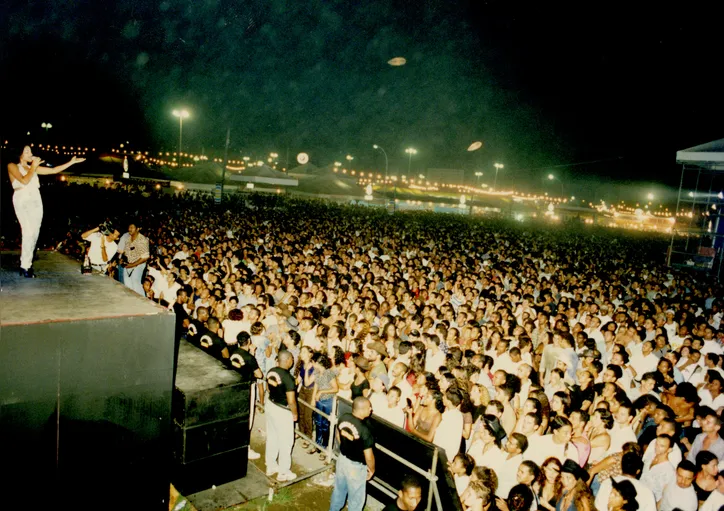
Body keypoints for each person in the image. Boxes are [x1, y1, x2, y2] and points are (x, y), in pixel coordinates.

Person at [7, 145, 85, 277]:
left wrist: (71, 162)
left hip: (36, 198)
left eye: (30, 151)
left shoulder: (34, 168)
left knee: (35, 233)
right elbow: (24, 181)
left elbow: (54, 170)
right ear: (19, 154)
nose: (30, 153)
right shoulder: (12, 166)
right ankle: (24, 266)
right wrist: (33, 167)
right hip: (22, 198)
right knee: (28, 231)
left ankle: (27, 264)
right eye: (26, 151)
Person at [329, 396, 375, 511]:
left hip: (342, 460)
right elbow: (369, 456)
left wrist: (346, 447)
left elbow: (338, 435)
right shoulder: (365, 429)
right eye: (369, 407)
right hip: (355, 468)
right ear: (362, 410)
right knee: (356, 501)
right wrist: (372, 469)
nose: (371, 409)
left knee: (338, 492)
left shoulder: (344, 417)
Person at [228, 331, 264, 460]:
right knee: (248, 418)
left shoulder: (233, 351)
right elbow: (259, 374)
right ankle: (246, 448)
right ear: (248, 341)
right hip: (247, 388)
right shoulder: (249, 358)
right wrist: (252, 355)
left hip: (234, 386)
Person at [265, 350, 298, 482]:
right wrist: (294, 414)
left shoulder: (271, 371)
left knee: (272, 436)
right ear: (288, 360)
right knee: (286, 441)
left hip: (271, 404)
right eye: (292, 359)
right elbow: (291, 401)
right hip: (283, 411)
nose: (293, 361)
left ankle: (271, 465)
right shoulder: (289, 378)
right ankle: (283, 472)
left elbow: (268, 388)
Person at [117, 221, 149, 295]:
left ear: (137, 229)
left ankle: (142, 303)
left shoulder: (142, 239)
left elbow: (145, 257)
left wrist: (133, 265)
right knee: (127, 285)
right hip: (128, 264)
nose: (130, 229)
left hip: (138, 264)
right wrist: (122, 259)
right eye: (129, 227)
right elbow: (126, 252)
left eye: (132, 227)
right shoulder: (128, 239)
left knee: (135, 283)